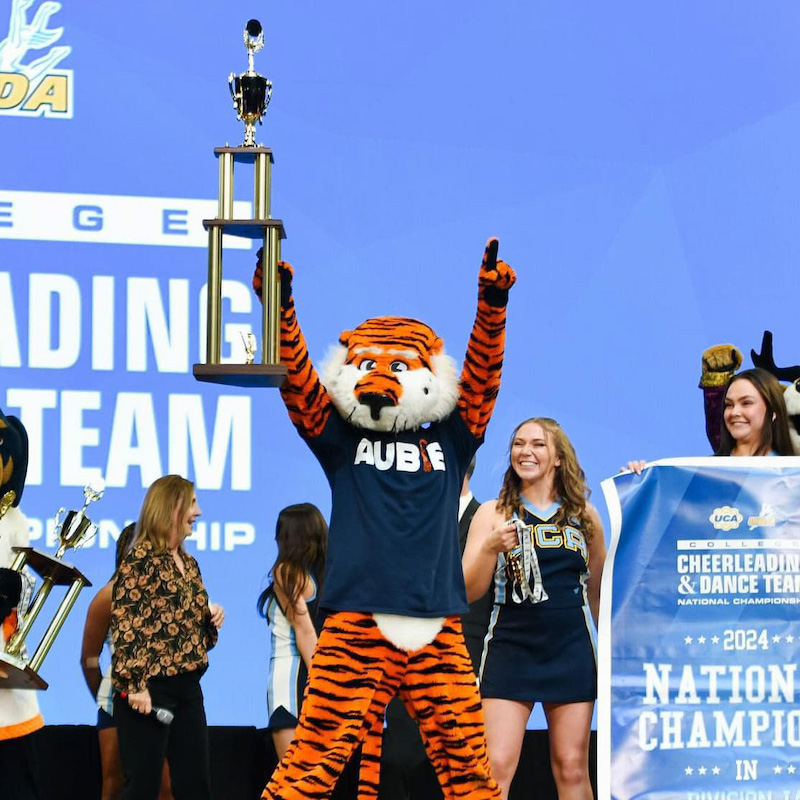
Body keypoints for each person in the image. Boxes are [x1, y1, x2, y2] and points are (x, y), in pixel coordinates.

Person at [463, 418, 605, 800]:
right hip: (511, 648)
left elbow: (597, 591)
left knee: (572, 767)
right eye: (519, 444)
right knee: (494, 767)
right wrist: (490, 548)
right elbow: (468, 589)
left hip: (571, 650)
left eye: (538, 445)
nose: (526, 451)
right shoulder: (492, 512)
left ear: (559, 457)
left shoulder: (586, 516)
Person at [379, 456, 492, 800]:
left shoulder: (487, 518)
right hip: (406, 662)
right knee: (400, 762)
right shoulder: (407, 518)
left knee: (460, 770)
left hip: (467, 662)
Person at [110, 475, 224, 800]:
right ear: (171, 508)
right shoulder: (139, 562)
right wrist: (136, 685)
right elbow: (126, 626)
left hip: (188, 689)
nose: (198, 512)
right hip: (149, 692)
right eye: (192, 503)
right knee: (142, 789)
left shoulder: (189, 564)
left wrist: (211, 619)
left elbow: (193, 634)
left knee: (195, 787)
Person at [81, 524, 173, 800]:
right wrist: (108, 697)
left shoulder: (171, 593)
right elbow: (89, 660)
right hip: (116, 702)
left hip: (165, 700)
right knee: (115, 784)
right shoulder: (108, 596)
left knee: (166, 788)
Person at [257, 503, 327, 761]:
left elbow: (305, 632)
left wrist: (322, 683)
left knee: (291, 778)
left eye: (280, 532)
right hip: (315, 676)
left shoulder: (286, 571)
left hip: (291, 681)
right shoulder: (323, 575)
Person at [629, 366, 794, 474]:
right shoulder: (704, 474)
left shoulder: (791, 476)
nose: (735, 412)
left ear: (773, 412)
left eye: (746, 403)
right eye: (729, 405)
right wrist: (639, 481)